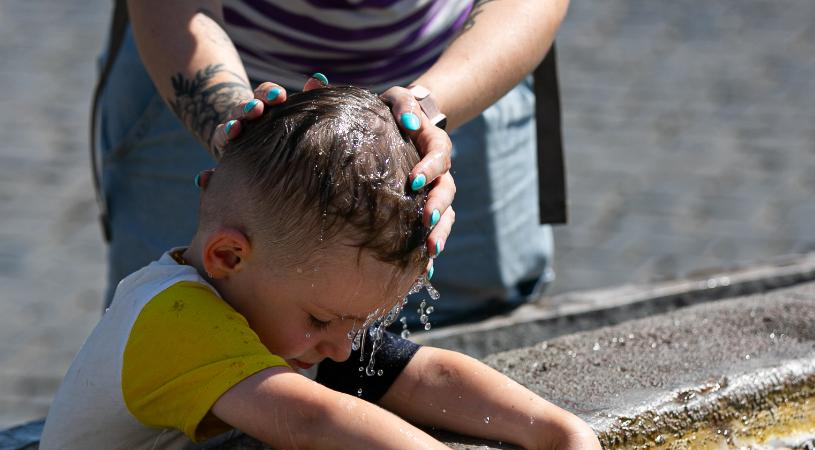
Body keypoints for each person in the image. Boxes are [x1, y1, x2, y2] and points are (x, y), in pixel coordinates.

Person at [19, 87, 604, 450]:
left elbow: (423, 376)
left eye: (357, 324)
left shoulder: (277, 307)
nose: (345, 349)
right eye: (326, 320)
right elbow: (317, 428)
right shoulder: (173, 317)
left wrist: (561, 432)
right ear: (227, 256)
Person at [99, 0, 569, 326]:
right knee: (179, 328)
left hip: (463, 66)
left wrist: (426, 114)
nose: (339, 352)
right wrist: (245, 143)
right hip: (208, 69)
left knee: (473, 329)